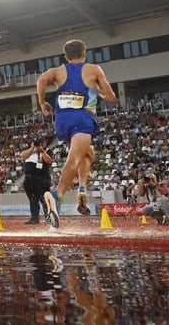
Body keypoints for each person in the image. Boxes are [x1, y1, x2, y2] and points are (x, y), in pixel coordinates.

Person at [37, 39, 116, 228]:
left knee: (88, 154)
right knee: (75, 157)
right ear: (84, 52)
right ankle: (58, 195)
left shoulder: (58, 71)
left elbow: (41, 80)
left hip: (62, 121)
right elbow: (112, 98)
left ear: (66, 56)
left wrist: (42, 103)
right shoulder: (94, 69)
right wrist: (97, 91)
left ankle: (82, 188)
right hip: (83, 117)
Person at [21, 138, 53, 225]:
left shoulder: (48, 151)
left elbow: (49, 161)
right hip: (29, 178)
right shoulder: (28, 151)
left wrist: (42, 151)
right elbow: (23, 156)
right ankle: (34, 218)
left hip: (42, 178)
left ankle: (49, 218)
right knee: (33, 199)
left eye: (42, 142)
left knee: (44, 199)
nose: (40, 144)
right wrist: (32, 148)